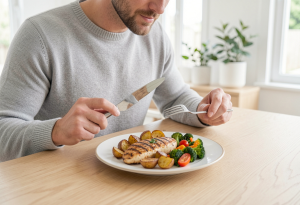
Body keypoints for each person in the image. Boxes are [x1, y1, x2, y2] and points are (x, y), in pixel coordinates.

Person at [0, 0, 232, 162]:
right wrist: (55, 131)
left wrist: (202, 111)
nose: (160, 7)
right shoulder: (39, 36)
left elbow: (176, 97)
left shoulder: (155, 34)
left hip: (130, 184)